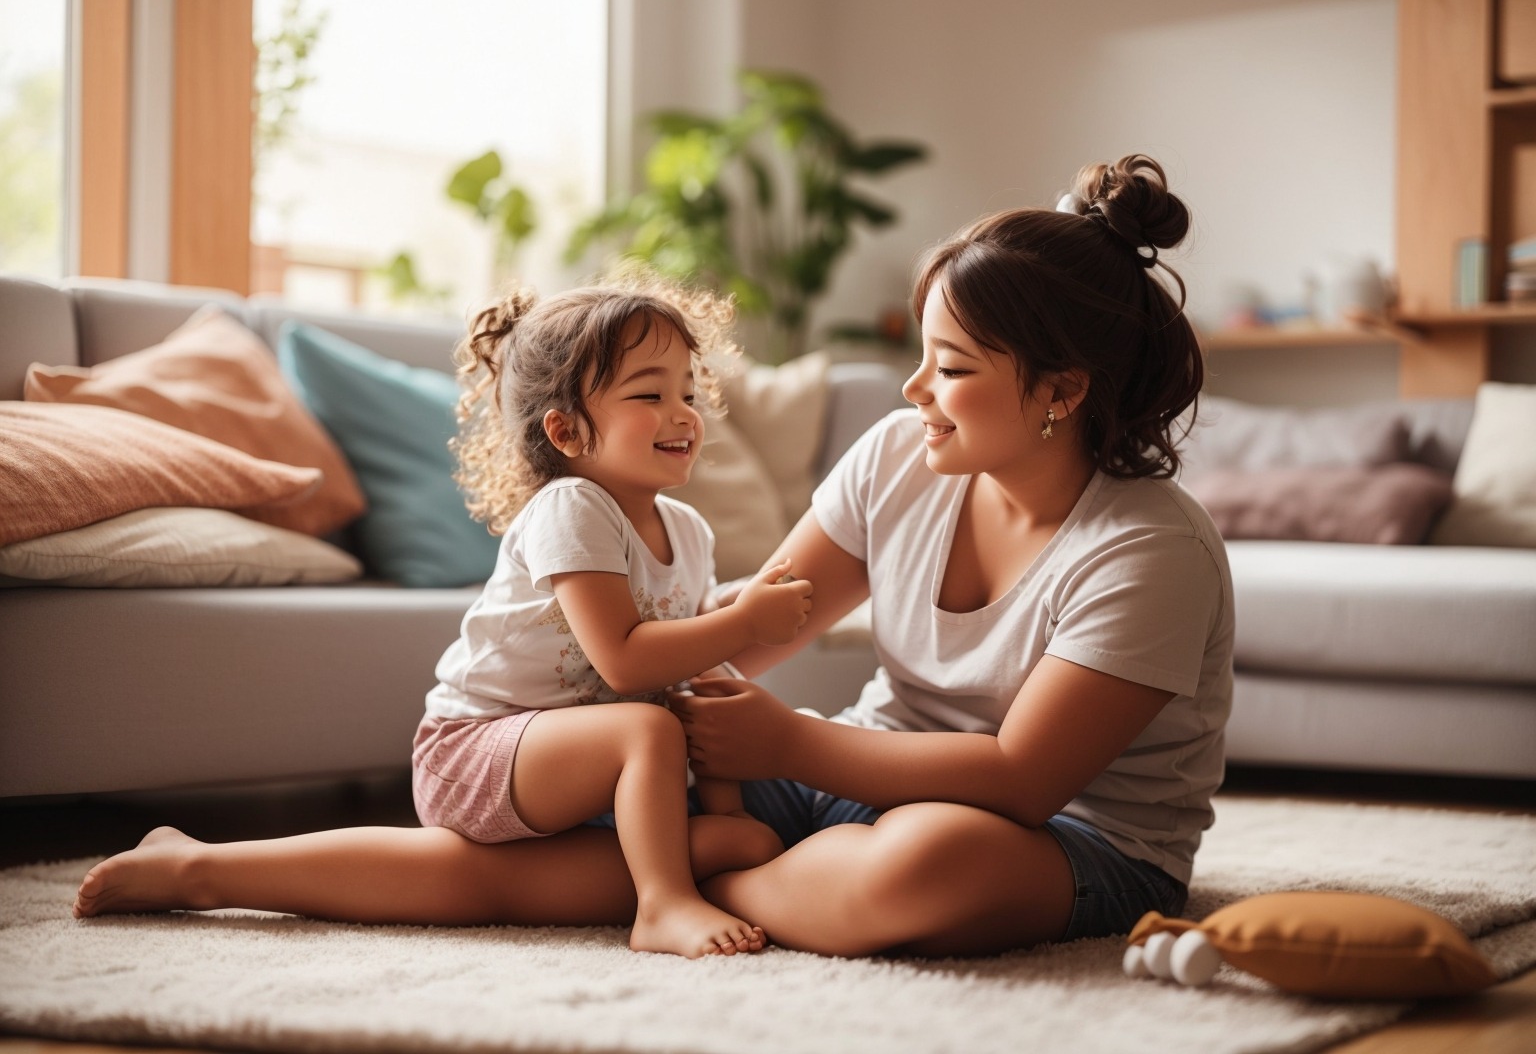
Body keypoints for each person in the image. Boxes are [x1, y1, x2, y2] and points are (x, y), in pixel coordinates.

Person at [73, 154, 1232, 960]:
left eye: (952, 366)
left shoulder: (1147, 551)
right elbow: (772, 616)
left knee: (925, 868)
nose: (913, 390)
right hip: (861, 772)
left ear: (1062, 391)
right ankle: (211, 870)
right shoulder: (898, 457)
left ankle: (691, 879)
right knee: (595, 813)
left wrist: (778, 745)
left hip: (1070, 838)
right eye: (920, 359)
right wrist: (666, 682)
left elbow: (1026, 780)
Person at [79, 275, 813, 960]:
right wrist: (746, 621)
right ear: (565, 433)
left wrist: (728, 807)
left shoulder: (687, 530)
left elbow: (693, 674)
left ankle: (189, 867)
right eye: (649, 395)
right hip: (475, 755)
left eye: (688, 389)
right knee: (646, 727)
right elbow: (626, 658)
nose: (682, 412)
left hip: (575, 773)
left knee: (731, 841)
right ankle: (663, 903)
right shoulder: (573, 507)